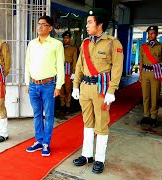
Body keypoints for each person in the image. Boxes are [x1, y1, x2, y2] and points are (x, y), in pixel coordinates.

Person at [71, 8, 124, 173]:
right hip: (85, 88)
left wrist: (112, 90)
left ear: (99, 24)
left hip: (101, 89)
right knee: (87, 122)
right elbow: (80, 65)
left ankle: (99, 158)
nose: (86, 25)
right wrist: (75, 85)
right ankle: (87, 155)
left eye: (89, 22)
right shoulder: (85, 42)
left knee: (101, 123)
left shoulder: (112, 43)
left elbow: (117, 68)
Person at [25, 16, 65, 156]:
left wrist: (58, 86)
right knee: (37, 115)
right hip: (33, 84)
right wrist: (26, 82)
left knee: (48, 115)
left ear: (50, 28)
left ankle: (46, 143)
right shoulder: (32, 44)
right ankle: (39, 141)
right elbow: (27, 64)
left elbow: (60, 66)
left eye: (44, 24)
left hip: (48, 85)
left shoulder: (56, 44)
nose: (40, 27)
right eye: (39, 24)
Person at [138, 26, 162, 128]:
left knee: (155, 96)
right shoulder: (143, 46)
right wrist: (140, 75)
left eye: (152, 33)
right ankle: (146, 115)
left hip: (156, 74)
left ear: (157, 34)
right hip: (145, 73)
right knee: (145, 96)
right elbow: (141, 61)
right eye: (149, 33)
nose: (150, 35)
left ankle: (154, 117)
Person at [59, 31, 78, 113]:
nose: (66, 39)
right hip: (60, 71)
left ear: (70, 39)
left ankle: (68, 105)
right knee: (60, 88)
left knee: (68, 89)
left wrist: (73, 73)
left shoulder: (73, 49)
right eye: (64, 38)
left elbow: (74, 61)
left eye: (67, 38)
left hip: (68, 71)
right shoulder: (60, 47)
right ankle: (62, 105)